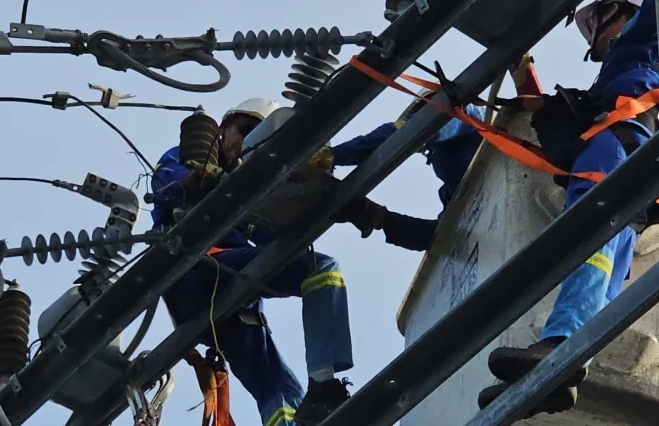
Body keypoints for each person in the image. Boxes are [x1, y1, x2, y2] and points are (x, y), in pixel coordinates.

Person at [478, 0, 657, 418]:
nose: (592, 37)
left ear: (619, 10)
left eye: (594, 22)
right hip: (640, 160)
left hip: (618, 144)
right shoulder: (631, 61)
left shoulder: (642, 35)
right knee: (609, 262)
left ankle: (561, 343)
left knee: (589, 236)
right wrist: (522, 70)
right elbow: (545, 108)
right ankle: (568, 364)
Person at [151, 98, 378, 426]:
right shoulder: (184, 158)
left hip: (232, 300)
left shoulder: (254, 185)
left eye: (257, 133)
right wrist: (198, 180)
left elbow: (275, 244)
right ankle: (324, 385)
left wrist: (328, 205)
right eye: (242, 130)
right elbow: (168, 186)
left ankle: (317, 392)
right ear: (223, 128)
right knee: (321, 269)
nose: (245, 141)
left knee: (281, 389)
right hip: (197, 272)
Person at [330, 54, 542, 251]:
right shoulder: (457, 186)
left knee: (420, 131)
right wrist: (382, 219)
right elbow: (438, 237)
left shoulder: (460, 118)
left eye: (421, 112)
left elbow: (409, 132)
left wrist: (337, 155)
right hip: (510, 213)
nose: (420, 118)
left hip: (521, 185)